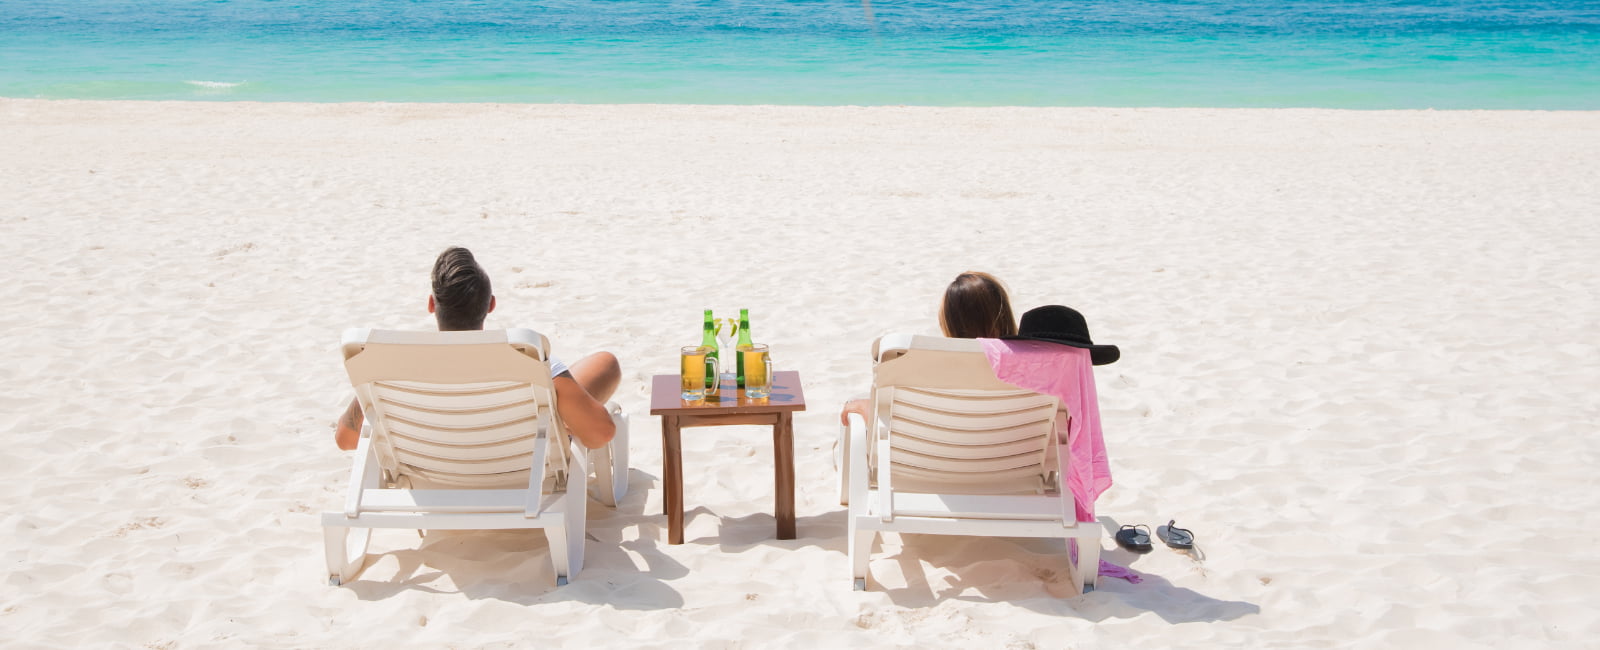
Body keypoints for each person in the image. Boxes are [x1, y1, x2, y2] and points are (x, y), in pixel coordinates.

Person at [333, 246, 621, 451]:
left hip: (430, 471)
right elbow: (599, 435)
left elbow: (346, 440)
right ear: (491, 305)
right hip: (520, 470)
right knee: (604, 363)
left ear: (432, 304)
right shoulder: (528, 360)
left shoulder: (388, 366)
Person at [838, 271, 1017, 424]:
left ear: (948, 322)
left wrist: (864, 406)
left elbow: (895, 426)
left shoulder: (928, 371)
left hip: (935, 461)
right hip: (1015, 461)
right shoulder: (1032, 369)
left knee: (856, 403)